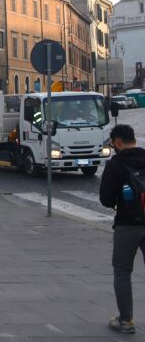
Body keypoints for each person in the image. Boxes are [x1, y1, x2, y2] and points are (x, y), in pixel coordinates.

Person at [99, 123, 145, 334]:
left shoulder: (115, 164)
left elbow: (105, 199)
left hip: (127, 225)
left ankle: (126, 321)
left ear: (118, 142)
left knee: (122, 272)